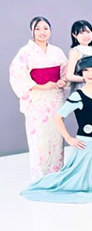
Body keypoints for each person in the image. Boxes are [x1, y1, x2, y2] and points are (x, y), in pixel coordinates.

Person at [21, 56, 92, 203]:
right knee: (80, 180)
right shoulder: (78, 95)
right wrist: (68, 138)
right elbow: (58, 117)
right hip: (88, 144)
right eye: (86, 70)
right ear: (81, 73)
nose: (90, 74)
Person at [10, 17, 67, 180]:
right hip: (37, 100)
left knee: (56, 136)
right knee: (39, 139)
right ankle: (40, 178)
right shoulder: (25, 52)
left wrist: (62, 81)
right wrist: (42, 86)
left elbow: (65, 72)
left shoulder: (57, 51)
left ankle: (56, 175)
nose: (42, 32)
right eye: (38, 29)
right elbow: (17, 77)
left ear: (50, 30)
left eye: (46, 28)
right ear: (32, 31)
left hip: (55, 98)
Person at [66, 20, 92, 94]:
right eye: (81, 33)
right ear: (74, 35)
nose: (86, 36)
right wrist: (88, 79)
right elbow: (69, 76)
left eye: (88, 32)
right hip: (81, 89)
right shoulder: (75, 51)